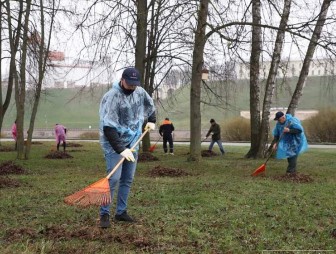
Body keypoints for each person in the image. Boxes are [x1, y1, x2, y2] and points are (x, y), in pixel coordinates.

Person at [99, 67, 156, 228]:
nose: (132, 87)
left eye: (134, 84)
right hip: (114, 144)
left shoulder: (139, 92)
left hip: (133, 142)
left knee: (127, 179)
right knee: (113, 179)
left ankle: (121, 212)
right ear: (122, 79)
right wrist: (120, 149)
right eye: (129, 84)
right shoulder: (112, 97)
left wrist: (152, 120)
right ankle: (104, 214)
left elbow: (150, 105)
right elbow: (108, 127)